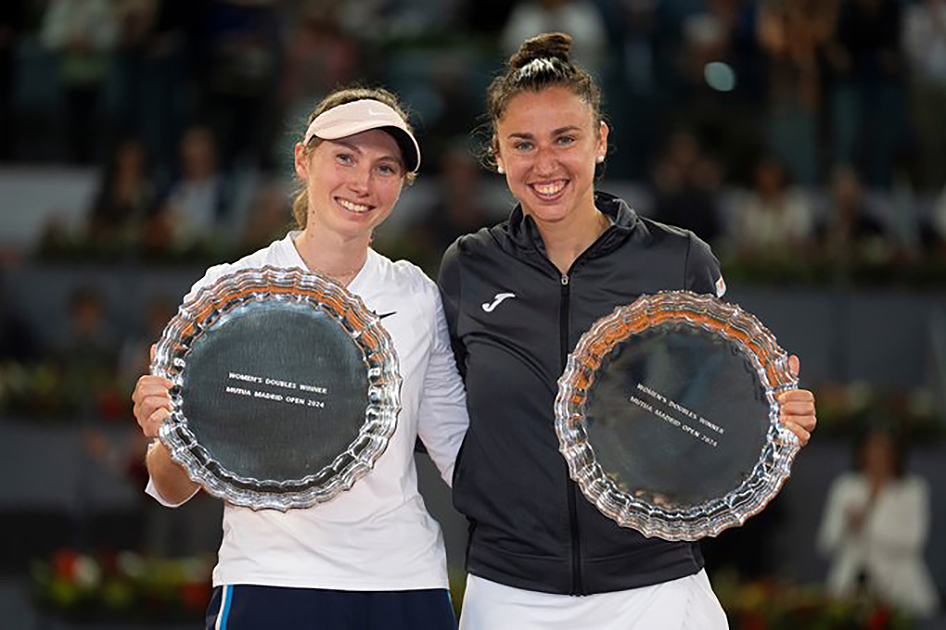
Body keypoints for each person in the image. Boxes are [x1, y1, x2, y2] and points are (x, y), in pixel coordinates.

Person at [438, 33, 818, 630]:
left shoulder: (678, 260)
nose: (546, 164)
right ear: (498, 153)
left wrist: (777, 419)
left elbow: (721, 405)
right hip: (509, 592)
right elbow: (444, 413)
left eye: (566, 138)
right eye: (523, 144)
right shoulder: (469, 266)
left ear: (601, 142)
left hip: (655, 588)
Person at [132, 87, 469, 629]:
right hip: (271, 579)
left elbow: (459, 451)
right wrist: (163, 429)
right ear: (302, 160)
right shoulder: (228, 293)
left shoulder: (416, 295)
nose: (362, 183)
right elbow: (172, 488)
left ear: (401, 186)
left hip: (402, 581)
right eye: (344, 157)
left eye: (384, 168)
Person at [817, 426, 940, 619]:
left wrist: (866, 523)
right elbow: (827, 542)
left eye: (884, 449)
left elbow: (913, 541)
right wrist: (849, 526)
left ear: (896, 453)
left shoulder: (912, 490)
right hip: (848, 589)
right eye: (872, 448)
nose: (878, 456)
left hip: (900, 590)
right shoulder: (846, 487)